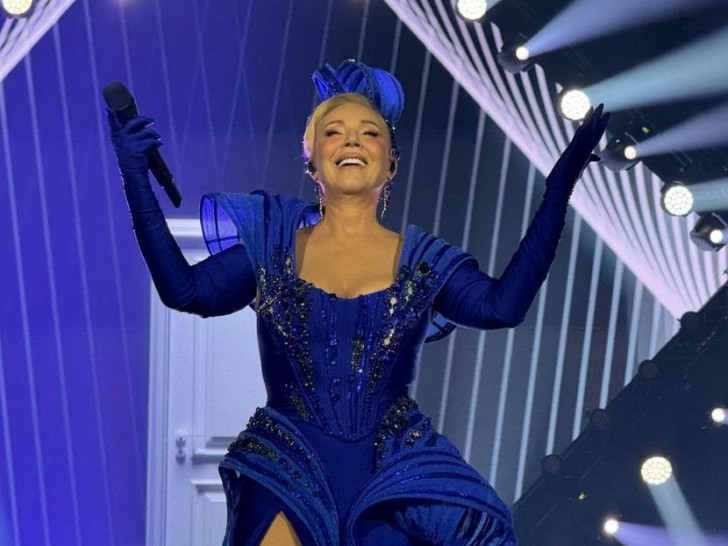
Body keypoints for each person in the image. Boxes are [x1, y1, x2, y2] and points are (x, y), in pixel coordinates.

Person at [107, 60, 609, 546]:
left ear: (391, 162)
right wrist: (134, 175)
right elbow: (185, 291)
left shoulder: (424, 261)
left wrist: (557, 191)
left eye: (369, 132)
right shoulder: (271, 249)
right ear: (311, 160)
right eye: (334, 131)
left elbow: (501, 307)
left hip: (393, 472)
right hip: (286, 466)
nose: (351, 140)